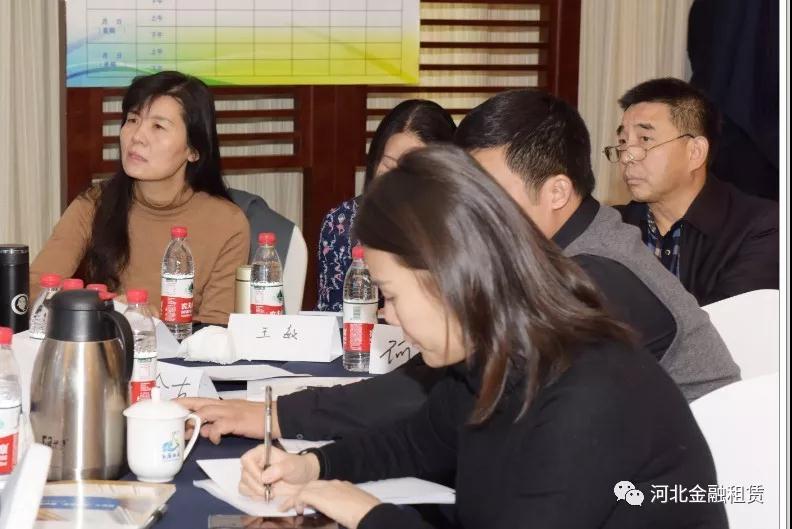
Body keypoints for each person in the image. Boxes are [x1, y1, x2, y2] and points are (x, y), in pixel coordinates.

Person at [179, 89, 739, 445]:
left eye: (487, 188)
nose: (469, 205)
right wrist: (277, 414)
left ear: (557, 192)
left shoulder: (596, 278)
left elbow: (449, 397)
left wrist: (275, 416)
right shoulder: (542, 252)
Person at [238, 145, 728, 529]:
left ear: (447, 279)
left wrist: (368, 515)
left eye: (390, 294)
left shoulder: (588, 392)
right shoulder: (496, 350)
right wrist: (313, 465)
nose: (387, 315)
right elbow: (418, 441)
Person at [30, 71, 250, 324]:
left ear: (193, 150)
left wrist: (157, 326)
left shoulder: (227, 223)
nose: (137, 137)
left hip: (184, 349)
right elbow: (35, 289)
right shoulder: (94, 204)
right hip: (105, 344)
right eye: (133, 120)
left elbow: (217, 329)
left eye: (158, 126)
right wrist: (108, 307)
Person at [610, 77, 779, 306]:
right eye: (622, 141)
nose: (627, 156)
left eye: (645, 139)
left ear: (695, 152)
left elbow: (727, 323)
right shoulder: (610, 226)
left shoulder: (762, 228)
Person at [316, 99, 456, 311]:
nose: (396, 181)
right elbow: (333, 317)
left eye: (412, 171)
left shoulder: (462, 226)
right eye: (388, 165)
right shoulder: (342, 224)